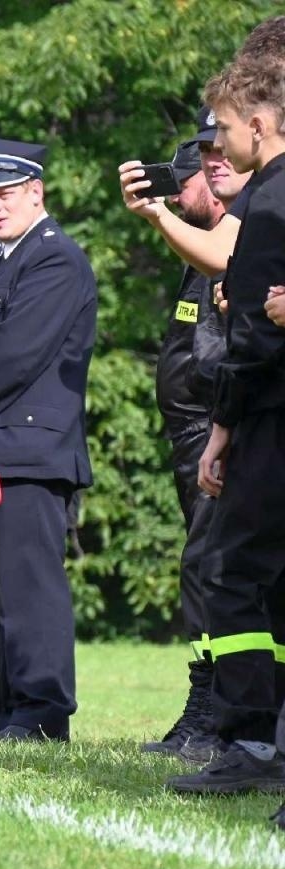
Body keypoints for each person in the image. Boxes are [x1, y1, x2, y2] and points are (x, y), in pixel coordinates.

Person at [0, 137, 97, 742]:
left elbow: (14, 355)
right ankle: (7, 703)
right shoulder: (0, 261)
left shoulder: (54, 259)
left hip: (31, 451)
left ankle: (42, 708)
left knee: (28, 584)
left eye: (4, 193)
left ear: (36, 192)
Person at [167, 55, 285, 814]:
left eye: (222, 126)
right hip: (260, 410)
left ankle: (251, 740)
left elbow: (258, 335)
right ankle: (260, 740)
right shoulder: (266, 196)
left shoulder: (273, 200)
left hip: (270, 414)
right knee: (246, 576)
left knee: (233, 573)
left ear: (261, 123)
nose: (216, 141)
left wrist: (226, 427)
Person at [118, 116, 250, 762]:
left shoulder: (234, 238)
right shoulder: (196, 243)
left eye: (188, 174)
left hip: (221, 430)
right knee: (201, 571)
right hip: (196, 433)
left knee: (213, 570)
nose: (176, 191)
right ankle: (207, 707)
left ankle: (220, 713)